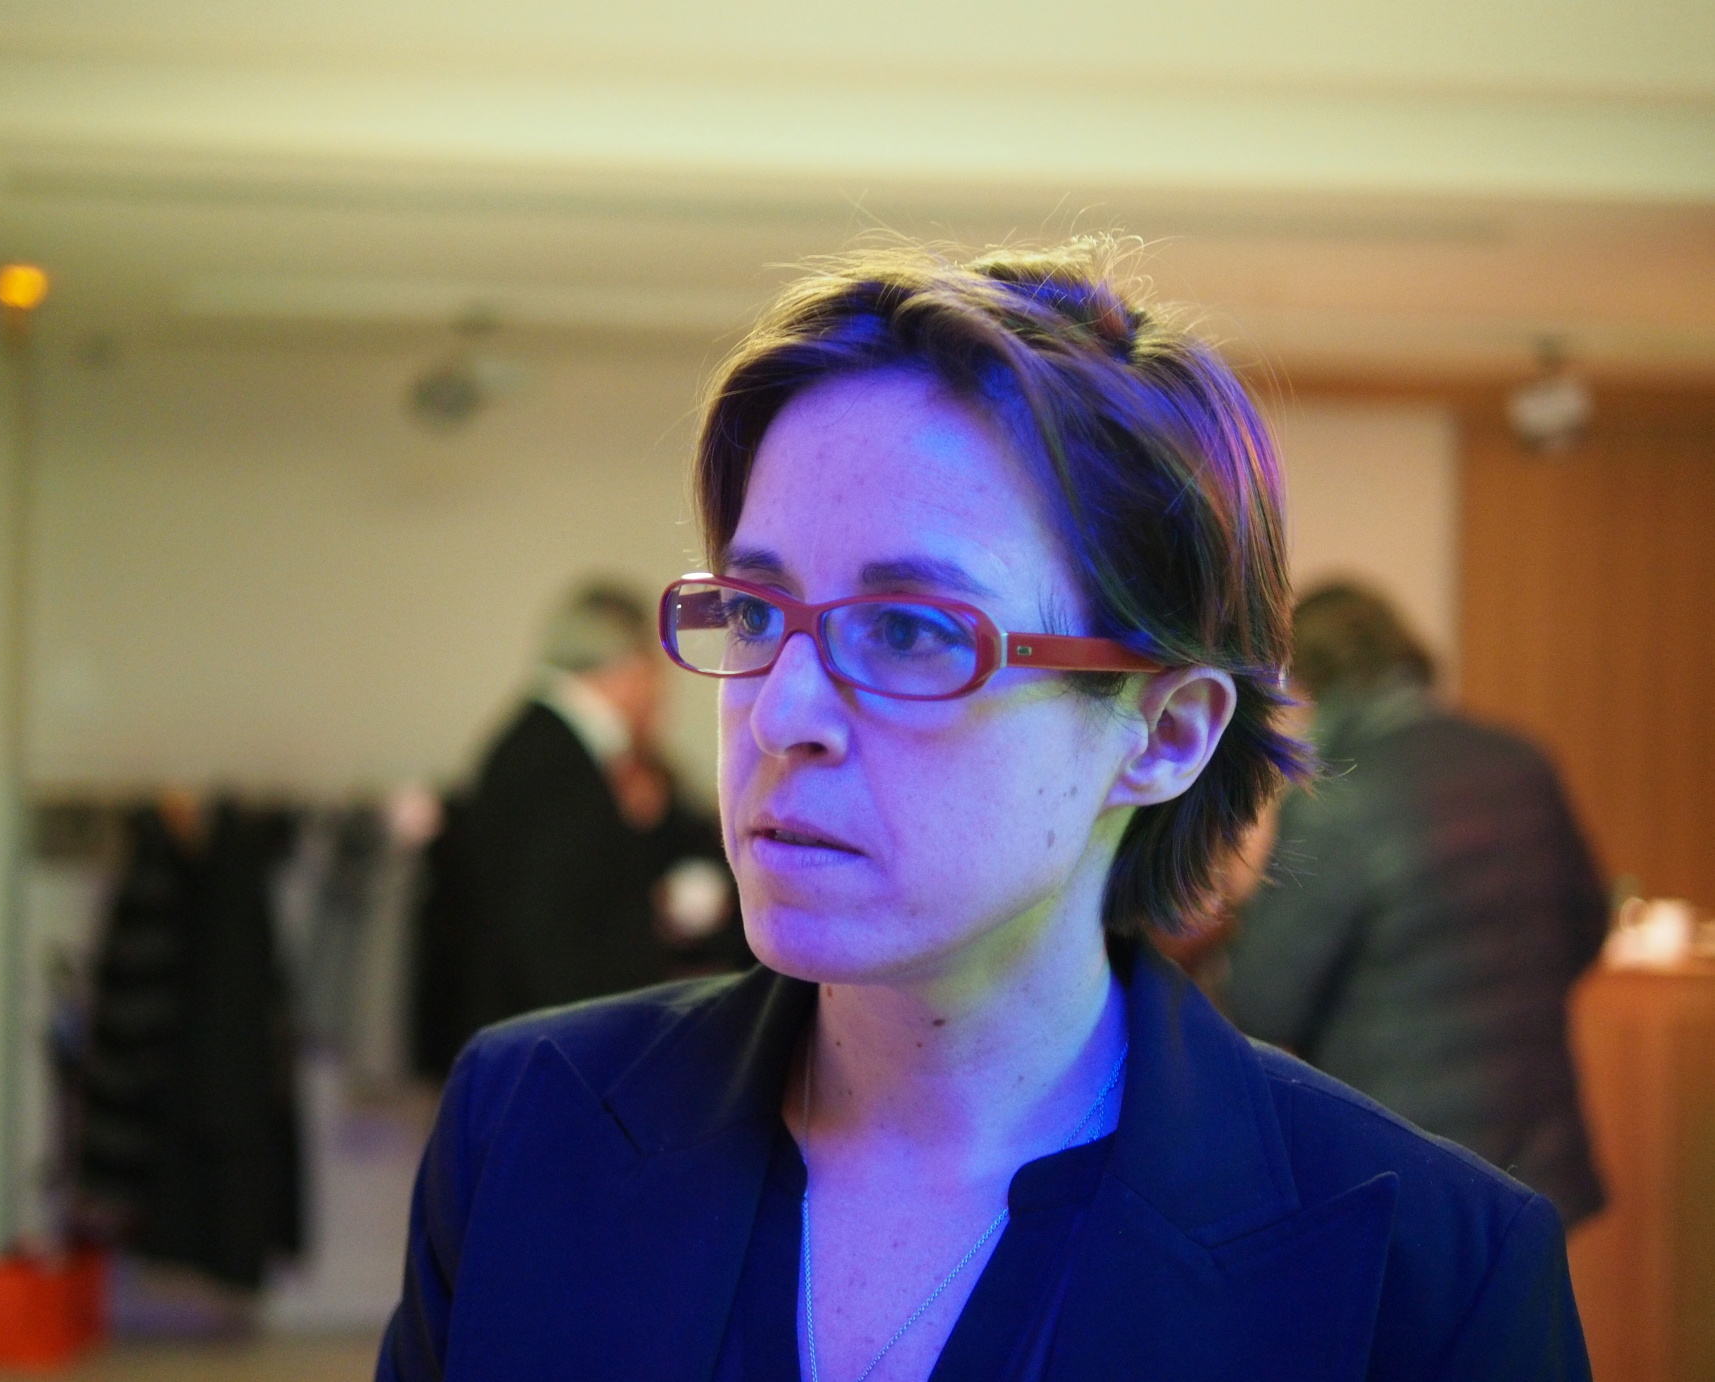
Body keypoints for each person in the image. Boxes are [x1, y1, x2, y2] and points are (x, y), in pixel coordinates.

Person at [380, 242, 1591, 1381]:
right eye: (752, 613)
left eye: (911, 631)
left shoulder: (1426, 1278)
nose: (780, 709)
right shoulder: (526, 1123)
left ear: (1166, 732)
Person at [1224, 583, 1607, 1227]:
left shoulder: (1339, 797)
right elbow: (1589, 927)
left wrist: (1250, 896)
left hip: (1405, 1162)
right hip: (1536, 1155)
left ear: (1308, 685)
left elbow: (1264, 1000)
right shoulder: (1520, 760)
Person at [409, 583, 740, 1077]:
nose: (659, 690)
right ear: (628, 665)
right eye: (653, 669)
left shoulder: (542, 745)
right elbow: (548, 936)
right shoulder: (555, 764)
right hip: (550, 1057)